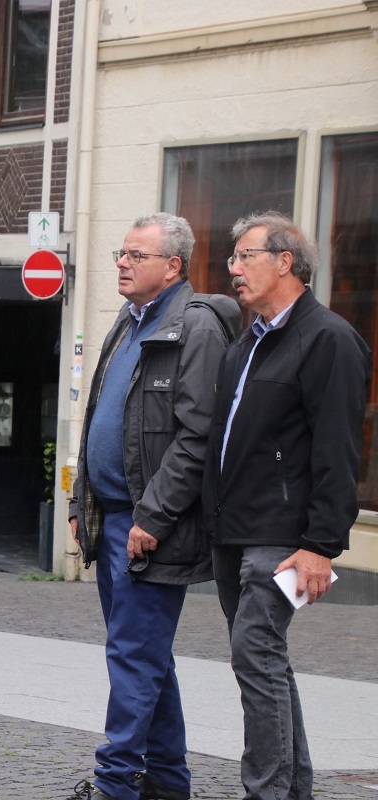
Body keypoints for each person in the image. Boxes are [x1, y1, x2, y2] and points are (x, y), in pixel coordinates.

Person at [69, 213, 240, 800]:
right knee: (146, 656)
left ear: (172, 266)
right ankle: (167, 782)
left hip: (151, 524)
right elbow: (98, 414)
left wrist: (153, 518)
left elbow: (199, 437)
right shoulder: (128, 318)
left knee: (133, 657)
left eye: (136, 255)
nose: (121, 262)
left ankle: (115, 784)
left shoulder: (197, 328)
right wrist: (80, 498)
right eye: (121, 252)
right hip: (114, 514)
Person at [204, 212, 369, 800]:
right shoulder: (247, 341)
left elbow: (338, 451)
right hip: (234, 531)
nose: (234, 269)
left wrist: (321, 545)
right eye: (232, 257)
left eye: (246, 256)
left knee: (255, 652)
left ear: (286, 262)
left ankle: (267, 791)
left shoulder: (328, 339)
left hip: (287, 537)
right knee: (263, 658)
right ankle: (289, 789)